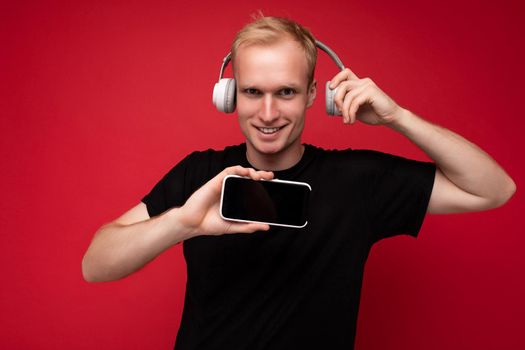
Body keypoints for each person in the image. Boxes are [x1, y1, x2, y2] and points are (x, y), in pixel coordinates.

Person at [82, 16, 516, 350]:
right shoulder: (201, 175)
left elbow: (494, 189)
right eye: (253, 92)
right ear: (230, 95)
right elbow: (95, 266)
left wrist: (396, 117)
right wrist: (182, 223)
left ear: (313, 93)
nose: (268, 113)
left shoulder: (360, 181)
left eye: (286, 93)